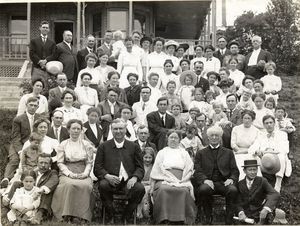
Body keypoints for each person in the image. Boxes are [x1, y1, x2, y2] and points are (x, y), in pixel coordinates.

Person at [94, 118, 145, 223]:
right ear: (111, 131)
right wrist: (107, 176)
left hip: (128, 181)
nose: (118, 131)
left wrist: (134, 178)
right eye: (115, 129)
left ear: (125, 130)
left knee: (139, 189)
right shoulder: (104, 146)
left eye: (121, 128)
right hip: (110, 181)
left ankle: (127, 214)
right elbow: (97, 167)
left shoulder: (134, 146)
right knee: (102, 186)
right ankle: (111, 214)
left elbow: (140, 167)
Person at [194, 125, 239, 225]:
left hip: (224, 182)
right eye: (212, 135)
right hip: (208, 182)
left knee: (233, 190)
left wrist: (231, 179)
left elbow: (235, 170)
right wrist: (205, 180)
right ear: (208, 138)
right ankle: (208, 218)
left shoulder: (228, 152)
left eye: (217, 135)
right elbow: (197, 170)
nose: (214, 137)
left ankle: (229, 219)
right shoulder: (201, 153)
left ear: (220, 138)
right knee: (203, 189)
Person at [51, 119, 94, 224]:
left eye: (78, 129)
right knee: (70, 184)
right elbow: (60, 162)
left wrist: (85, 174)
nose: (75, 131)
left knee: (86, 186)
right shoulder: (63, 144)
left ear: (81, 131)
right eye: (73, 128)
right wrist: (69, 173)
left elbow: (89, 162)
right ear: (69, 130)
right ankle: (67, 214)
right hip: (67, 170)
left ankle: (81, 216)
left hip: (83, 170)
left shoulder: (86, 145)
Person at [150, 130, 196, 224]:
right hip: (164, 178)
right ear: (167, 139)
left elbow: (189, 168)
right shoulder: (162, 152)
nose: (173, 140)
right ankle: (164, 218)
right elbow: (157, 169)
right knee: (163, 189)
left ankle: (182, 218)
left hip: (181, 179)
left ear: (179, 140)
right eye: (171, 137)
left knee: (183, 190)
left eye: (176, 138)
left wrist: (183, 180)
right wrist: (167, 178)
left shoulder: (184, 153)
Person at [2, 153, 59, 224]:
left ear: (50, 164)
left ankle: (39, 215)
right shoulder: (33, 172)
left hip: (39, 199)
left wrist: (40, 190)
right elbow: (21, 180)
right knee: (16, 183)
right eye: (41, 162)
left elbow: (54, 181)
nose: (43, 165)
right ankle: (6, 206)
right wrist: (6, 194)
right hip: (27, 195)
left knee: (46, 191)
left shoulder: (52, 173)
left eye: (46, 163)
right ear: (37, 163)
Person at [1, 97, 40, 188]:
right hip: (19, 143)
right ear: (26, 106)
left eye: (35, 106)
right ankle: (6, 179)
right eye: (31, 105)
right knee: (14, 160)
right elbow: (15, 137)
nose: (33, 107)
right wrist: (19, 151)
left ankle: (27, 179)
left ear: (38, 107)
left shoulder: (39, 118)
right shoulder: (18, 119)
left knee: (32, 160)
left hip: (33, 144)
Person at [248, 115, 289, 192]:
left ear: (274, 123)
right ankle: (258, 181)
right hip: (264, 160)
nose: (269, 125)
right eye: (266, 123)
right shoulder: (261, 135)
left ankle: (278, 184)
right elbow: (252, 148)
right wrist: (256, 151)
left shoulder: (282, 134)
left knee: (282, 156)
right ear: (264, 125)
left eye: (271, 122)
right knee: (252, 157)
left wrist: (267, 151)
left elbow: (285, 149)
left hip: (277, 160)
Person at [236, 159, 280, 224]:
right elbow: (236, 201)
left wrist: (266, 209)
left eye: (255, 169)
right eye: (250, 170)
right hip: (245, 218)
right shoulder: (239, 184)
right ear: (244, 171)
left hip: (260, 217)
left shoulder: (262, 181)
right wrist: (240, 212)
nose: (253, 172)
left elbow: (274, 194)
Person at [231, 110, 261, 181]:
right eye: (245, 118)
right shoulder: (236, 129)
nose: (246, 120)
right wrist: (238, 151)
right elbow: (233, 144)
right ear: (242, 119)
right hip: (237, 152)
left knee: (252, 164)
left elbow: (256, 145)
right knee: (238, 163)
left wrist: (244, 152)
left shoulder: (257, 131)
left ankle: (255, 184)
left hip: (251, 153)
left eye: (249, 118)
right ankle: (241, 183)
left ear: (252, 119)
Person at [136, 147, 156, 219]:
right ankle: (140, 210)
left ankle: (145, 211)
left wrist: (144, 183)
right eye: (146, 157)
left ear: (153, 158)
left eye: (150, 157)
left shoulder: (154, 167)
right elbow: (137, 179)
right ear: (142, 157)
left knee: (146, 189)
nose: (147, 159)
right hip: (140, 186)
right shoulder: (140, 166)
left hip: (151, 186)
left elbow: (152, 181)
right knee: (142, 189)